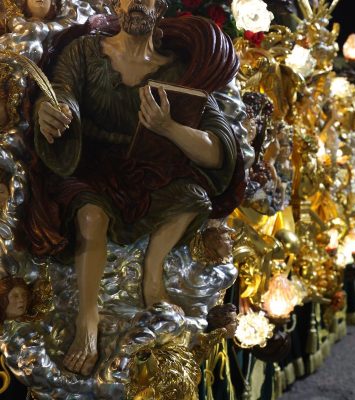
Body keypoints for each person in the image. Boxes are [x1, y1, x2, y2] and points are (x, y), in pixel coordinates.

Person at [21, 0, 242, 376]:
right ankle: (87, 320)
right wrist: (52, 112)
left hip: (144, 170)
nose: (138, 2)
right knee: (92, 214)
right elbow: (61, 93)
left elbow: (219, 150)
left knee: (193, 197)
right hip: (88, 165)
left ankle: (152, 273)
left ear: (161, 8)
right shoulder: (86, 51)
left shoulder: (178, 68)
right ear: (116, 4)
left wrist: (169, 127)